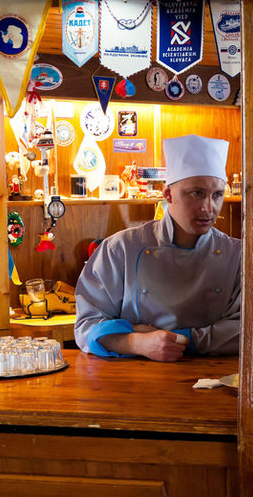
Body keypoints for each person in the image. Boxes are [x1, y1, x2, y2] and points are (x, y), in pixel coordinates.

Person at [74, 134, 241, 361]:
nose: (208, 207)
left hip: (214, 375)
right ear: (168, 194)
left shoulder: (237, 255)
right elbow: (86, 326)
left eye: (217, 195)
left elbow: (249, 328)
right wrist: (137, 343)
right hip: (137, 375)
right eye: (197, 193)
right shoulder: (120, 249)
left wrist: (181, 339)